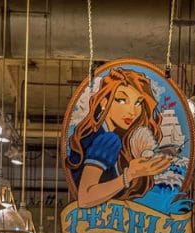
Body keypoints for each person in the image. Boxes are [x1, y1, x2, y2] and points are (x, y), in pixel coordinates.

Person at [66, 67, 172, 208]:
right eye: (122, 100)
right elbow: (85, 197)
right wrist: (130, 174)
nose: (132, 111)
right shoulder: (107, 139)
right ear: (104, 101)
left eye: (138, 103)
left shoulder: (103, 134)